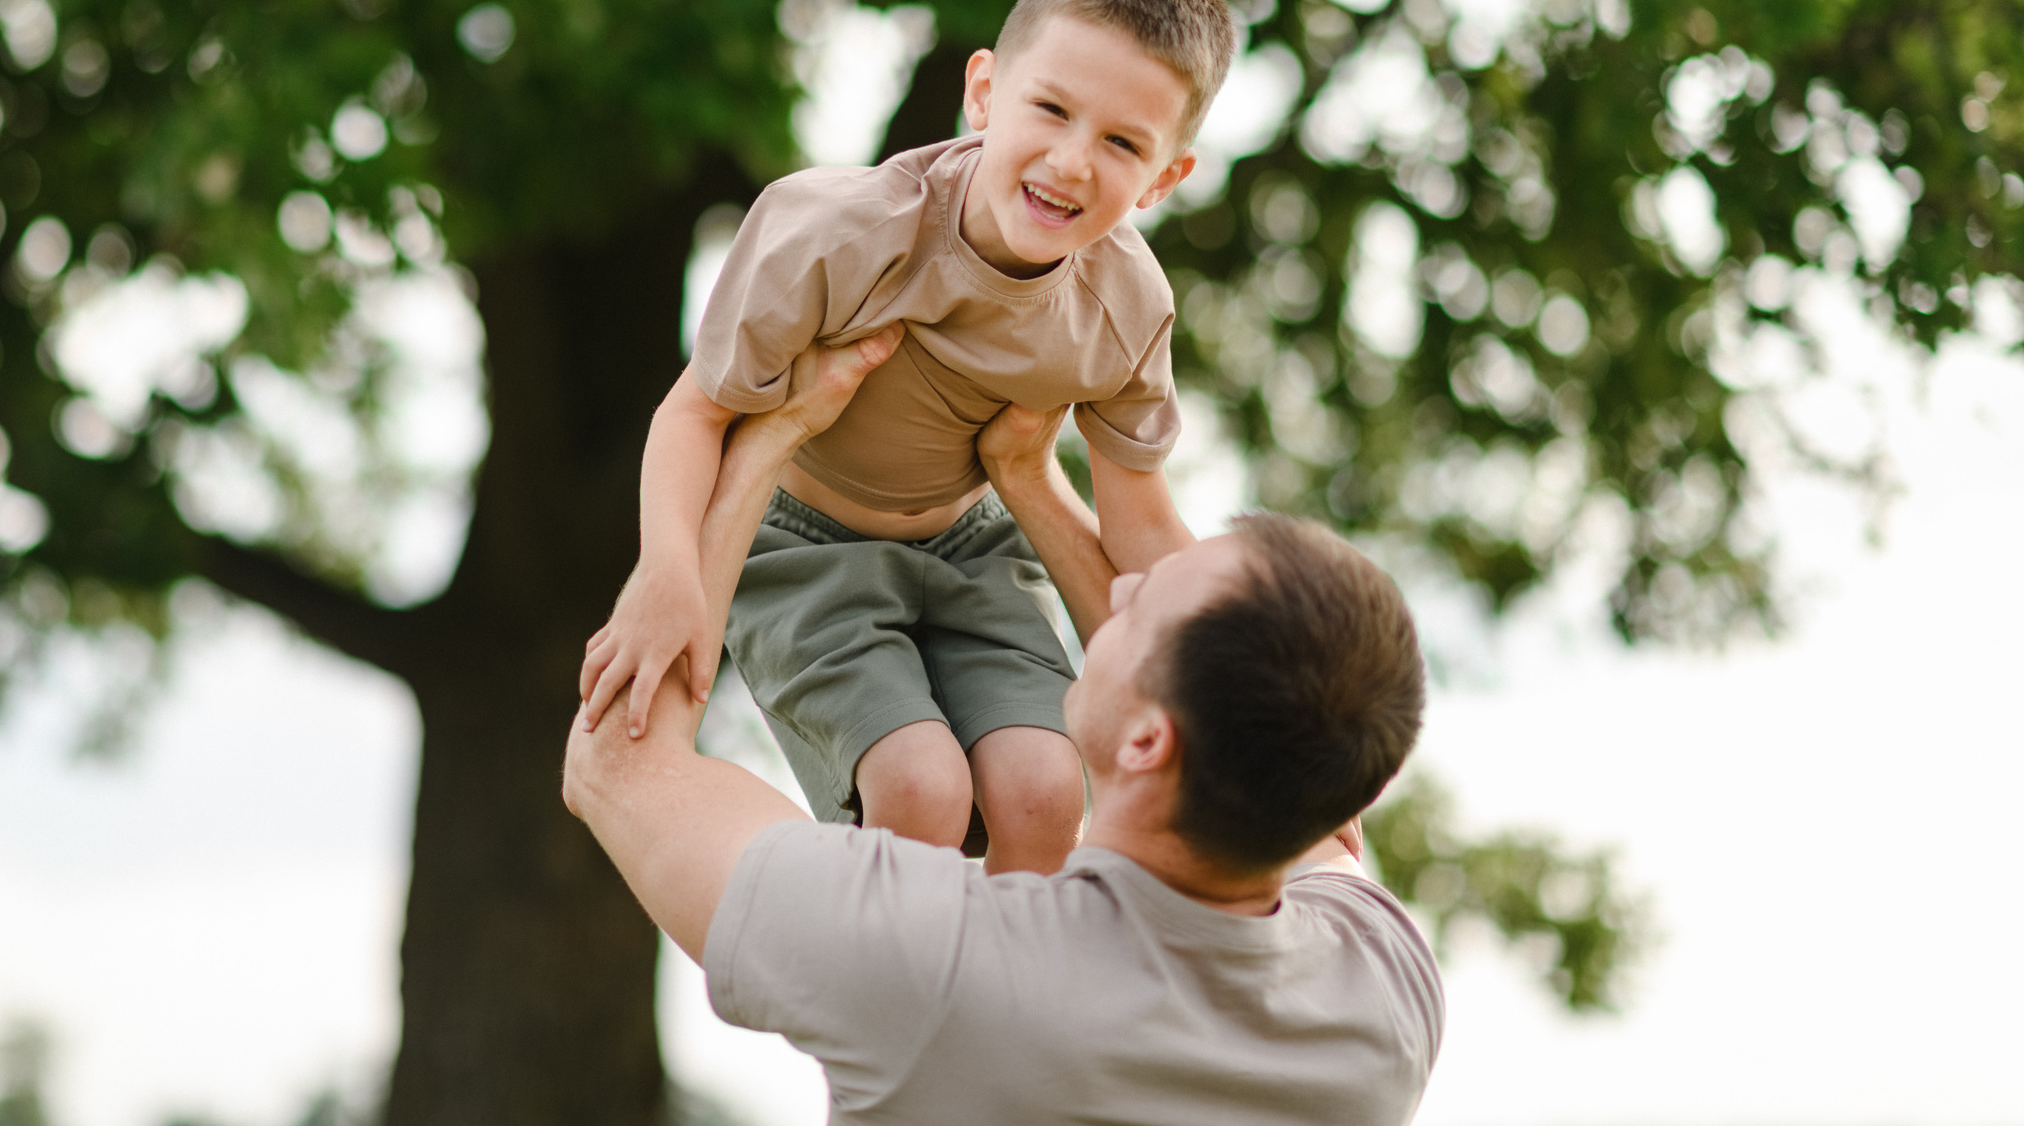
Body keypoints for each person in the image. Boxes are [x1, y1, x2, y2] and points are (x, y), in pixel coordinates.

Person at [564, 338, 1442, 1126]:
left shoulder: (933, 967)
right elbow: (1300, 773)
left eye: (1144, 606)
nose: (1118, 591)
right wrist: (1029, 476)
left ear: (1148, 745)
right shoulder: (1378, 995)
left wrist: (759, 446)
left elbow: (615, 763)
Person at [580, 0, 1237, 871]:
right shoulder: (839, 233)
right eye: (1049, 108)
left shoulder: (1125, 308)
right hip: (805, 544)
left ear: (1167, 177)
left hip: (974, 552)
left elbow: (1140, 519)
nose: (1071, 162)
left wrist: (1234, 682)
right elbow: (695, 412)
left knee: (1047, 790)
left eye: (1123, 143)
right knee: (921, 789)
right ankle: (884, 1000)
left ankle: (1001, 1007)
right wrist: (668, 570)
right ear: (984, 90)